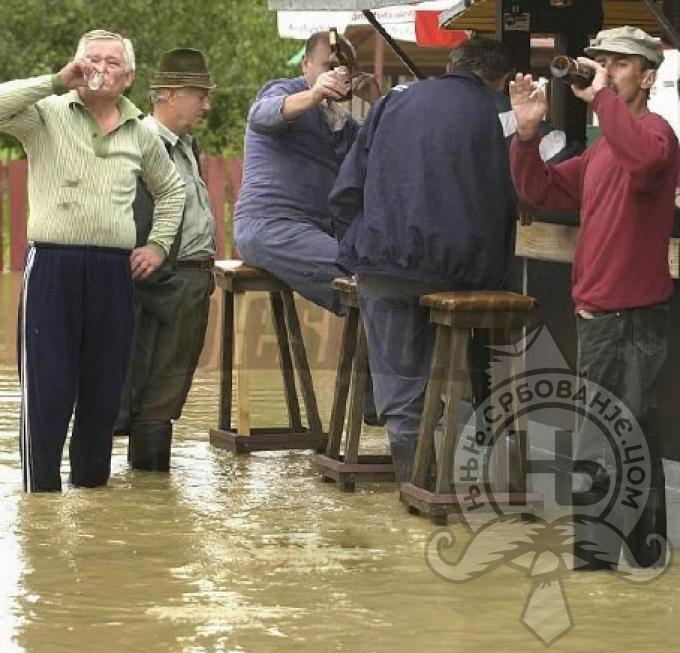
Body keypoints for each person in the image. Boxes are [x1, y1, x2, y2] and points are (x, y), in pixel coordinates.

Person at [509, 26, 679, 569]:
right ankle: (644, 554)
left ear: (648, 77)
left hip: (631, 318)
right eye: (603, 61)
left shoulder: (655, 135)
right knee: (633, 438)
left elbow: (648, 162)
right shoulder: (606, 148)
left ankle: (594, 564)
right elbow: (538, 189)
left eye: (621, 64)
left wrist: (602, 97)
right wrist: (527, 135)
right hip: (602, 315)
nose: (607, 70)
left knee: (602, 439)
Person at [2, 30, 186, 492]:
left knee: (103, 393)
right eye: (90, 59)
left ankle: (92, 500)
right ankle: (40, 503)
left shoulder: (141, 130)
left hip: (112, 271)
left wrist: (158, 245)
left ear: (128, 77)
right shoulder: (45, 115)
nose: (100, 67)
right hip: (52, 267)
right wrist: (54, 80)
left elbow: (171, 191)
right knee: (49, 391)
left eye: (110, 61)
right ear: (76, 67)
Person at [329, 37, 517, 481]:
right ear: (500, 81)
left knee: (399, 374)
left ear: (451, 64)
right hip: (457, 272)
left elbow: (344, 191)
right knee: (453, 356)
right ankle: (456, 456)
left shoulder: (394, 101)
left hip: (384, 263)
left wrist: (358, 244)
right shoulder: (491, 116)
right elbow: (502, 203)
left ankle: (413, 481)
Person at [114, 48, 216, 472]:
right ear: (169, 95)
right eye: (199, 94)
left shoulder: (185, 145)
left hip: (186, 281)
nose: (207, 105)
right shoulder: (143, 144)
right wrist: (165, 284)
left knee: (162, 393)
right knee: (152, 395)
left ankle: (144, 504)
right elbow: (134, 222)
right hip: (163, 283)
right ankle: (143, 496)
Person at [233, 30, 380, 316]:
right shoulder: (283, 91)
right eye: (329, 66)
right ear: (306, 65)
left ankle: (372, 357)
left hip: (315, 232)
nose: (340, 73)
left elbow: (381, 152)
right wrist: (314, 93)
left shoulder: (343, 123)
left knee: (384, 272)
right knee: (365, 275)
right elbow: (261, 115)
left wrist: (377, 102)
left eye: (347, 68)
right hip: (270, 226)